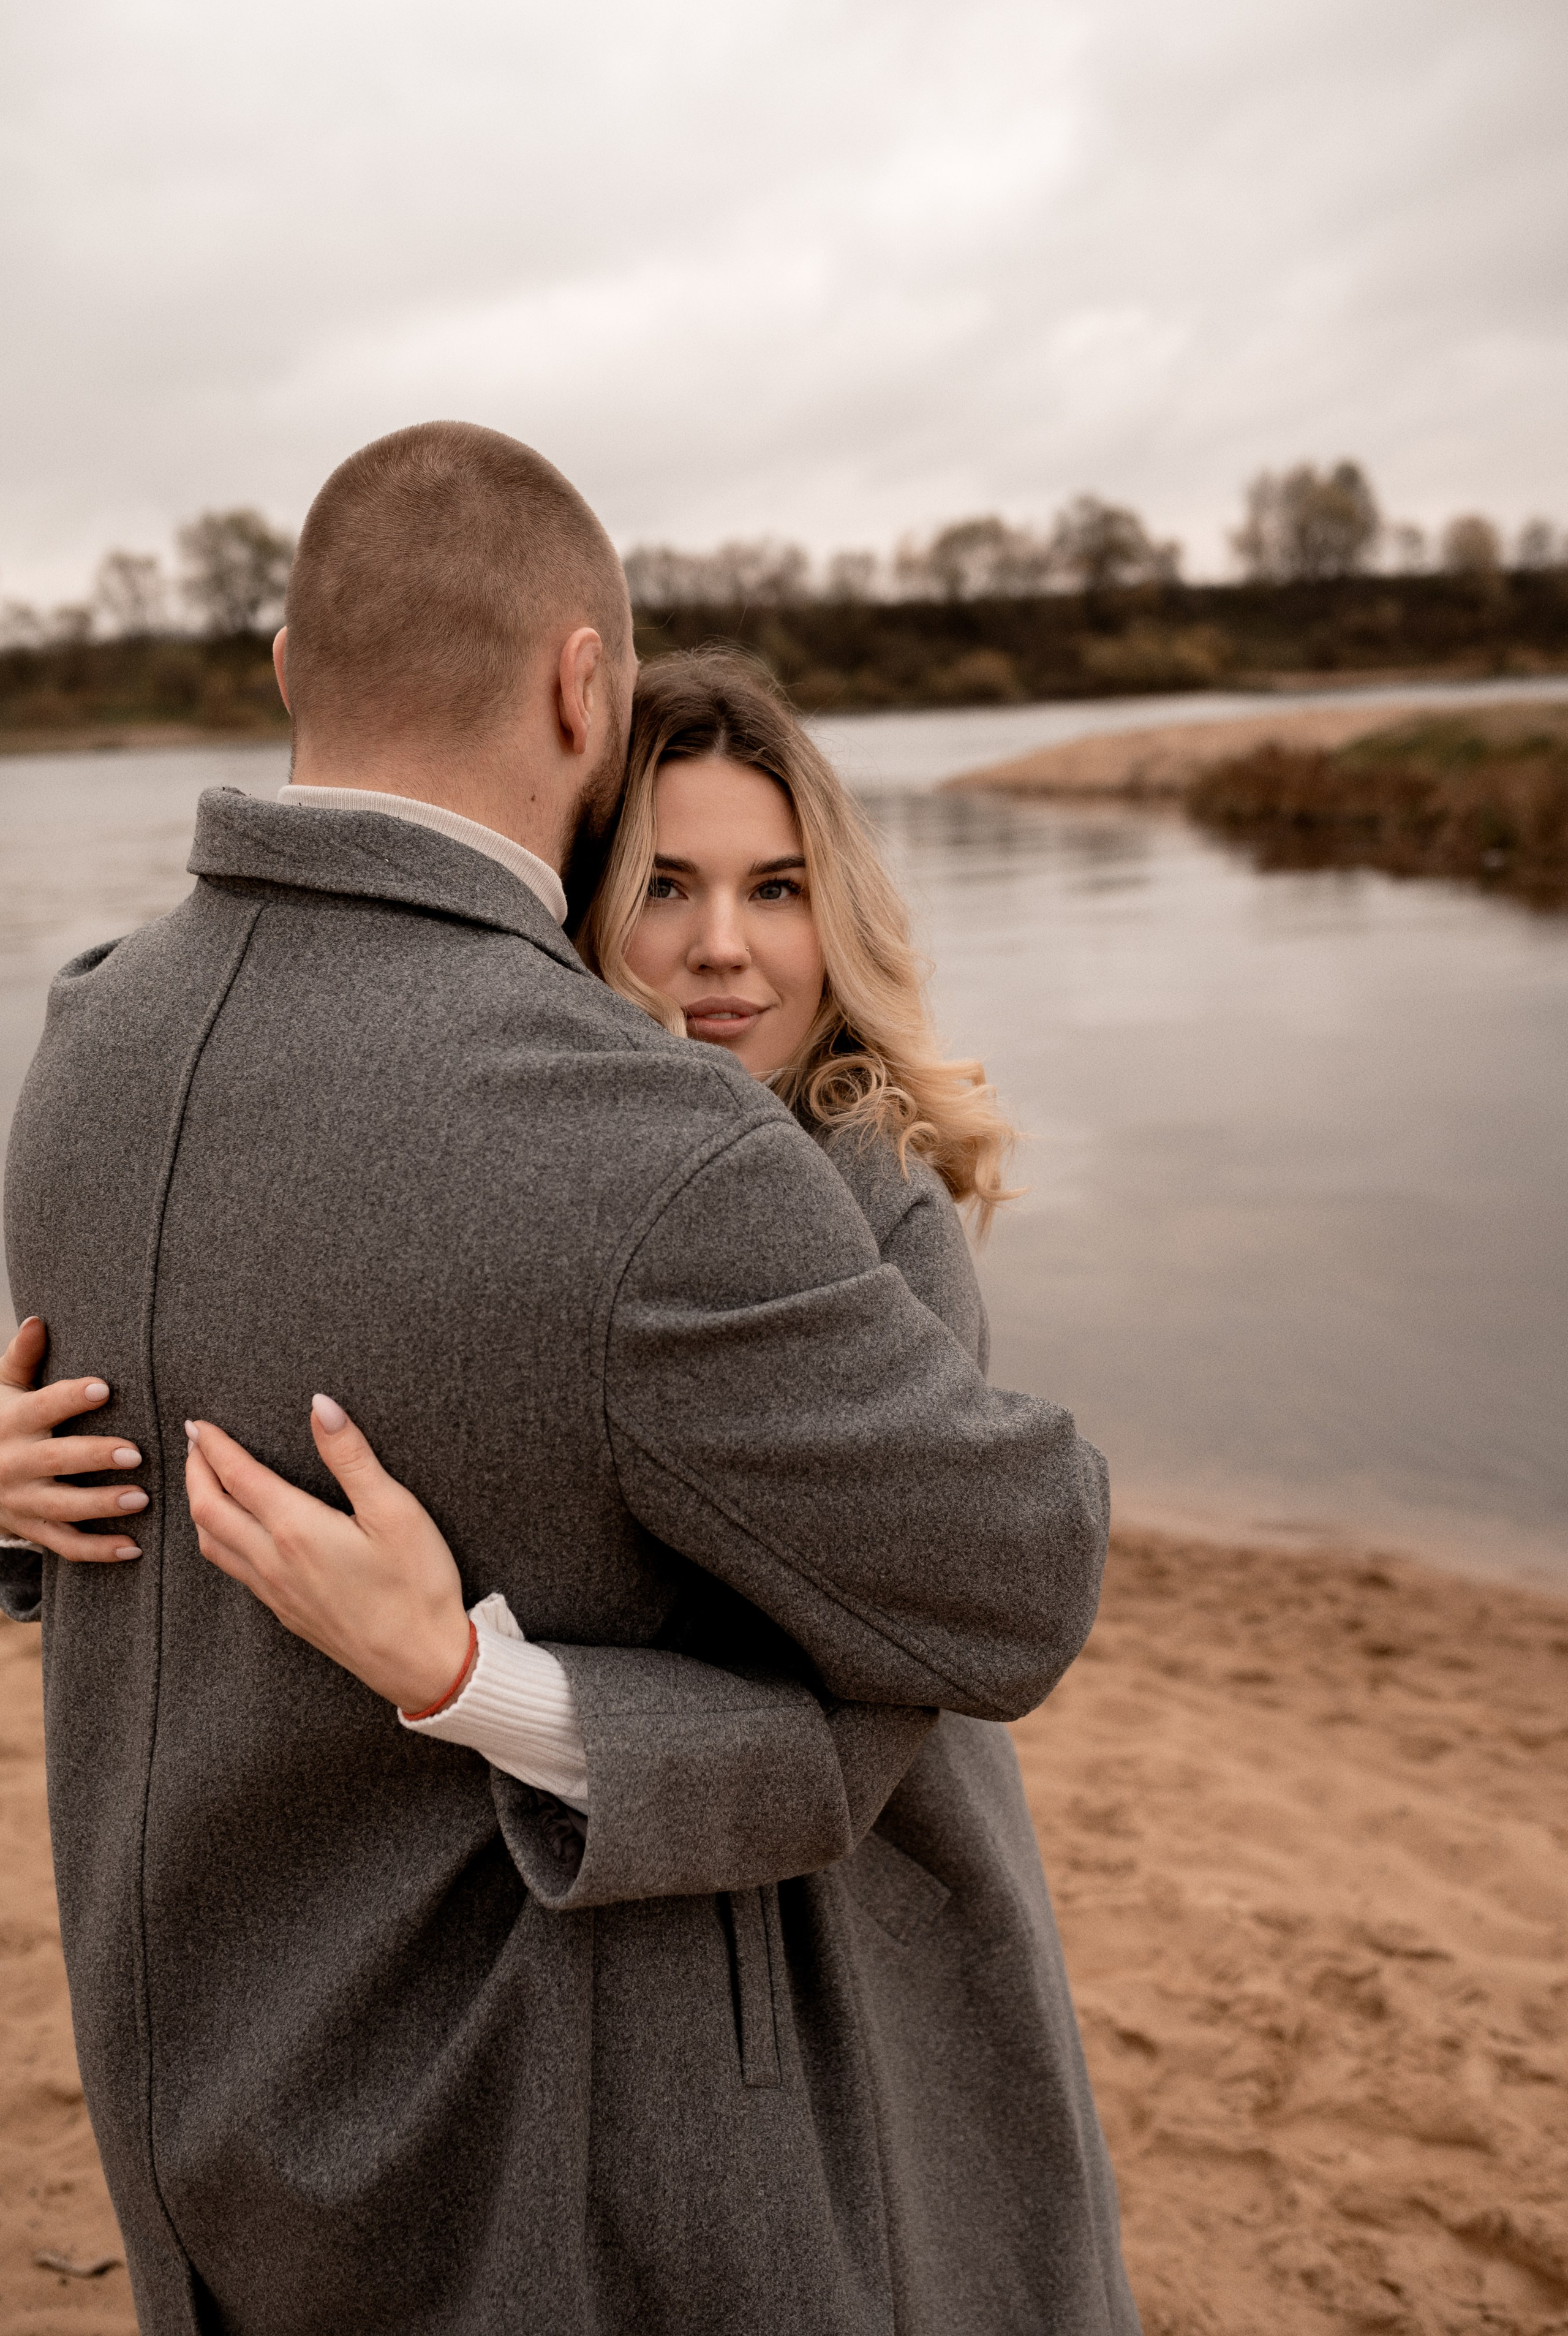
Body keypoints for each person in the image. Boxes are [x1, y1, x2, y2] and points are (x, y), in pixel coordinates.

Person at [0, 421, 1136, 2335]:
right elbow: (1023, 1566)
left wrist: (479, 1680)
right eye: (671, 885)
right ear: (578, 706)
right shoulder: (639, 1160)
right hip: (557, 2121)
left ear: (288, 668)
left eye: (777, 890)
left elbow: (901, 1686)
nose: (721, 948)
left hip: (281, 2093)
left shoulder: (88, 1048)